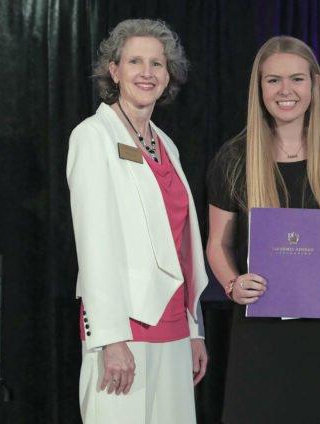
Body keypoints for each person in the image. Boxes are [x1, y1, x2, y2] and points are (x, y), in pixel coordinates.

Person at [205, 35, 320, 423]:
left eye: (297, 79)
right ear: (259, 88)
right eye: (273, 80)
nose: (286, 91)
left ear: (314, 85)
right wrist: (233, 284)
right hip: (262, 340)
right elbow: (217, 243)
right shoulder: (233, 158)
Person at [67, 19, 208, 423]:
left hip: (175, 326)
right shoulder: (93, 135)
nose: (147, 73)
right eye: (135, 61)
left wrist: (194, 330)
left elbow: (181, 245)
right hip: (125, 328)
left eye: (157, 64)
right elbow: (94, 243)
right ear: (114, 70)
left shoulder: (167, 144)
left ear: (168, 75)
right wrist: (111, 339)